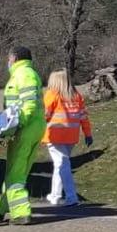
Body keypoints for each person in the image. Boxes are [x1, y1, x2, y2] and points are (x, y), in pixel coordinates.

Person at [0, 45, 43, 224]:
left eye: (8, 59)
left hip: (25, 128)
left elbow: (28, 105)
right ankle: (2, 207)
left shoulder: (24, 74)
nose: (8, 62)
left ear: (14, 58)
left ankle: (21, 212)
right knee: (17, 170)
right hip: (33, 127)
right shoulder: (27, 73)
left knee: (16, 173)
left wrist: (16, 125)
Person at [42, 70, 88, 207]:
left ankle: (71, 196)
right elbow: (83, 117)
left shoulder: (52, 95)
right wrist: (88, 133)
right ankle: (55, 195)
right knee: (61, 165)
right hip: (70, 136)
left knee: (62, 165)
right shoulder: (76, 96)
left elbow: (44, 114)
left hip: (54, 136)